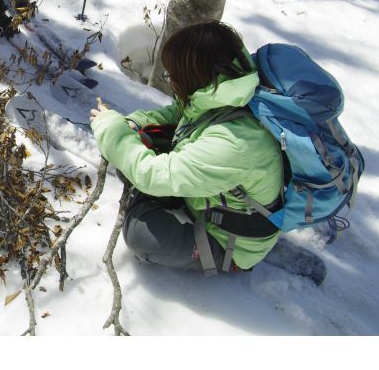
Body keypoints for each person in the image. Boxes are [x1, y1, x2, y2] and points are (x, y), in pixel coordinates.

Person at [90, 20, 284, 274]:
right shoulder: (225, 92)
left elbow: (152, 174)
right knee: (136, 153)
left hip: (232, 241)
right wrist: (130, 125)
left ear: (194, 75)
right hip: (216, 198)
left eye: (172, 76)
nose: (172, 83)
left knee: (141, 235)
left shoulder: (234, 143)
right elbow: (177, 115)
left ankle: (226, 262)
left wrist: (111, 130)